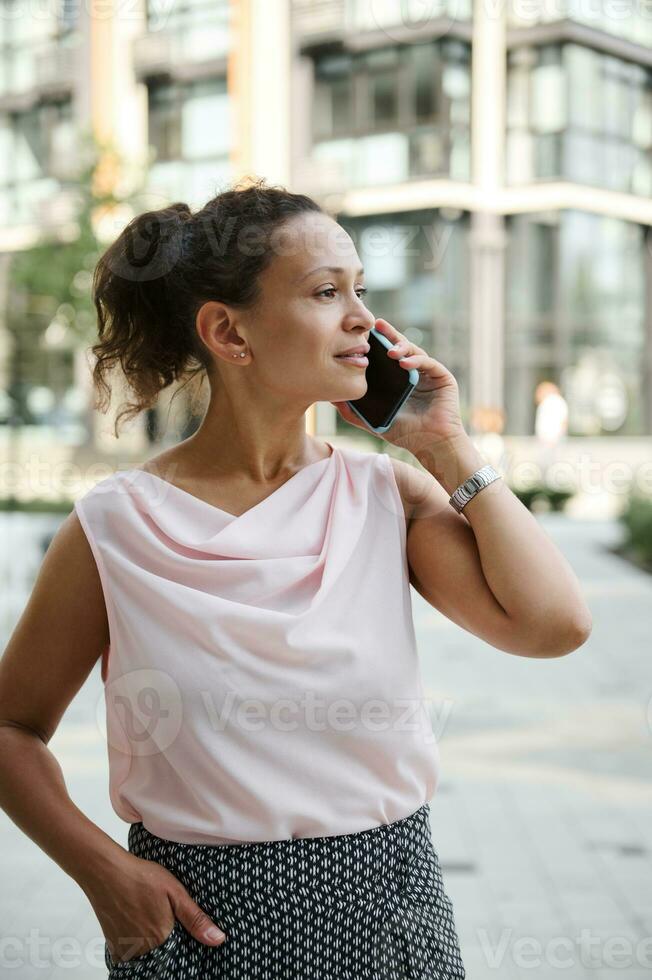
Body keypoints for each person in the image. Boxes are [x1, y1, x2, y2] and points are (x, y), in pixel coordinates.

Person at [0, 177, 592, 979]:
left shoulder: (388, 495)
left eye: (361, 290)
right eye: (325, 292)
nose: (365, 321)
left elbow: (554, 626)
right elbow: (11, 730)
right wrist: (104, 874)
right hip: (194, 929)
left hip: (392, 920)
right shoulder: (115, 527)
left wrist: (446, 448)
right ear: (228, 332)